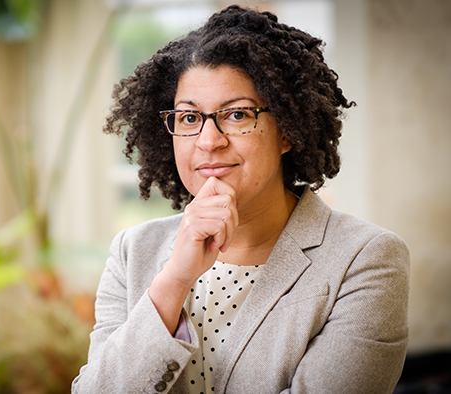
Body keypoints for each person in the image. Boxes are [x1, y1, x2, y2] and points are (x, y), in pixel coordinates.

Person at [72, 5, 409, 394]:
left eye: (236, 115)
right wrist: (175, 280)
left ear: (287, 131)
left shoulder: (367, 259)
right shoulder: (133, 253)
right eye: (188, 118)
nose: (208, 141)